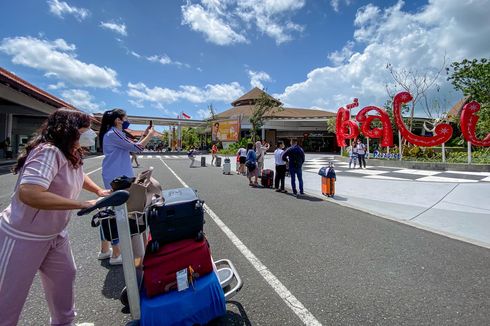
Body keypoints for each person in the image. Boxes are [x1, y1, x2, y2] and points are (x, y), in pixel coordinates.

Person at [0, 109, 110, 325]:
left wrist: (98, 191)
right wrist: (81, 203)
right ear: (70, 129)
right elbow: (30, 192)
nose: (91, 134)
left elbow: (79, 174)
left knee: (64, 278)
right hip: (23, 237)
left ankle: (64, 323)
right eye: (86, 129)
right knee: (8, 298)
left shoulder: (71, 152)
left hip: (55, 235)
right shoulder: (48, 152)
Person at [98, 109, 155, 265]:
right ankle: (116, 255)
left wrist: (143, 135)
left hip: (116, 175)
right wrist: (150, 135)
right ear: (118, 120)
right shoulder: (114, 133)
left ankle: (105, 250)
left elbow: (133, 145)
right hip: (119, 178)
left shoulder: (114, 134)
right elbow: (137, 148)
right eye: (125, 118)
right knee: (118, 214)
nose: (127, 121)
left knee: (109, 212)